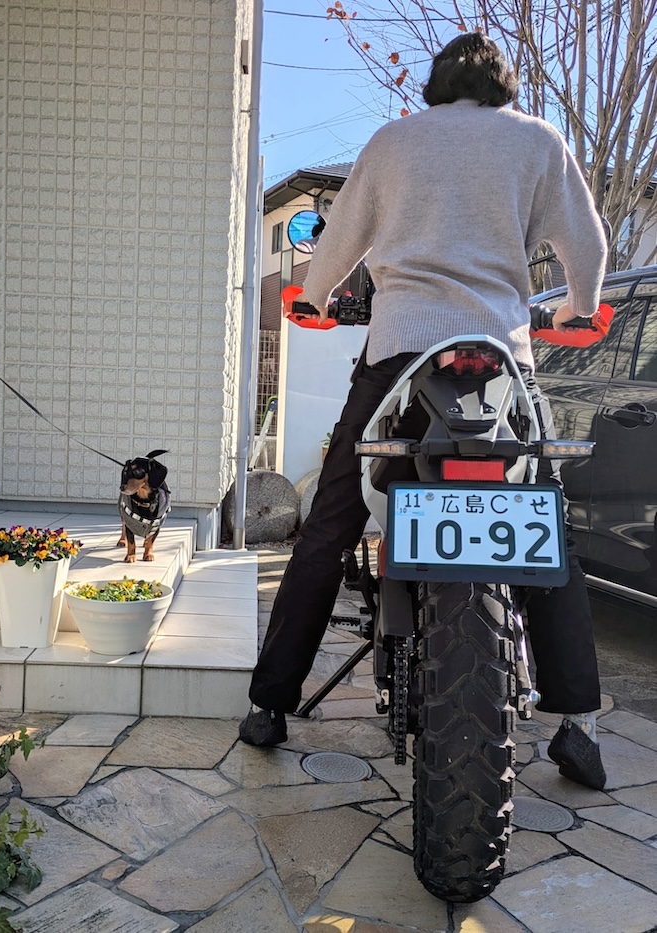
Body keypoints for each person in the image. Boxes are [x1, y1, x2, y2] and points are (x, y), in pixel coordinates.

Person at [240, 33, 607, 790]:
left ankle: (271, 704)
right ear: (502, 85)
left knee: (331, 521)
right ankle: (578, 723)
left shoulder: (395, 140)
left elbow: (339, 242)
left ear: (437, 84)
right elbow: (590, 245)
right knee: (544, 521)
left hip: (400, 353)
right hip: (501, 358)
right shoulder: (538, 140)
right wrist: (579, 307)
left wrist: (313, 297)